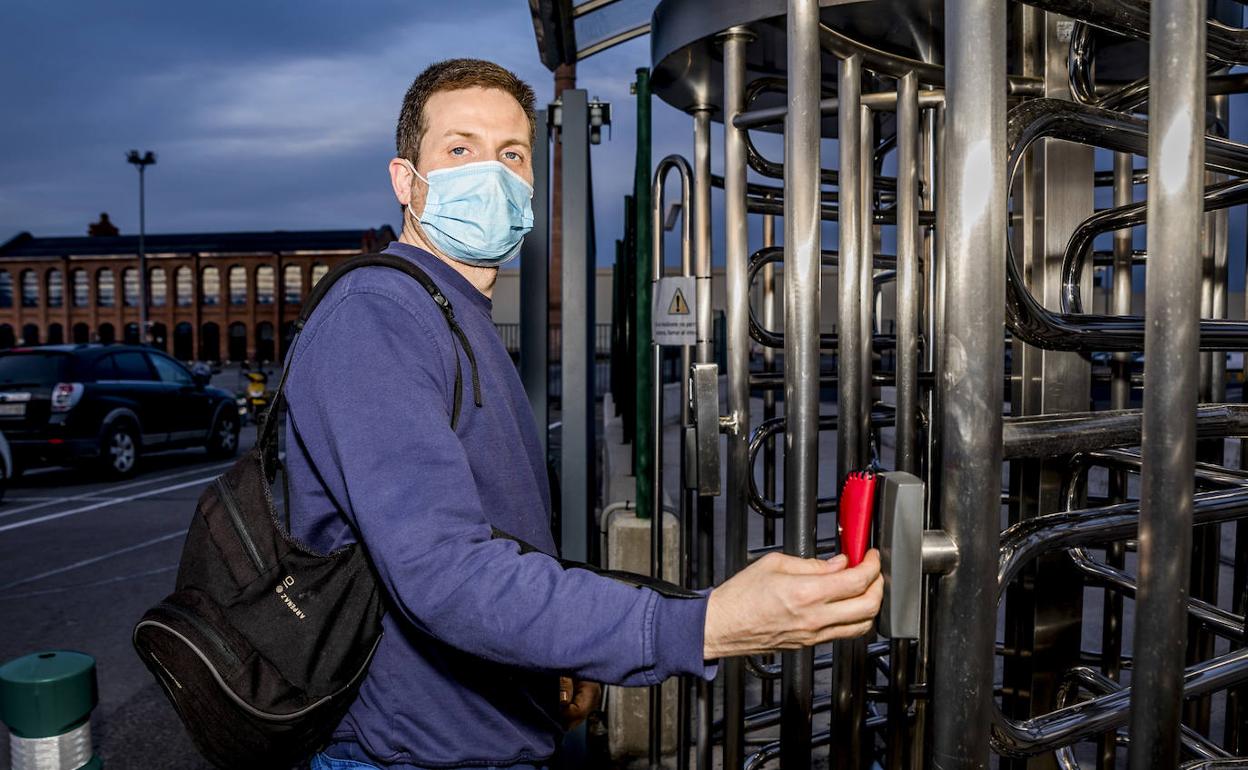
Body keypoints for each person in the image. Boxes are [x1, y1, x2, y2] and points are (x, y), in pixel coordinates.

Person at [283, 58, 883, 770]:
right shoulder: (378, 316)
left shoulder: (454, 315)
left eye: (512, 155)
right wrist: (702, 625)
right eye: (459, 149)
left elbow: (495, 541)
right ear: (405, 182)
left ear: (532, 182)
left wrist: (555, 660)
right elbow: (443, 575)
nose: (492, 173)